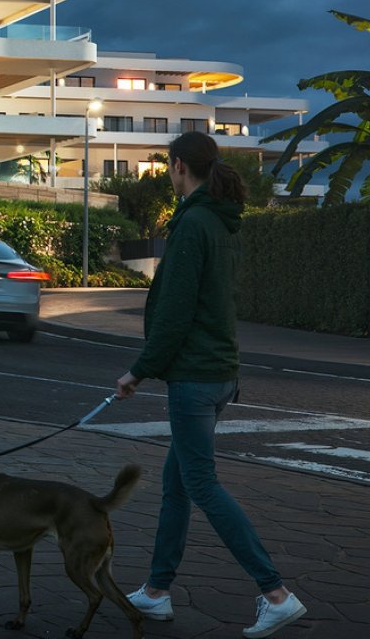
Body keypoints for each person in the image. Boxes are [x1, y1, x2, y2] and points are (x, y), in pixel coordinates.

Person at [113, 131, 307, 638]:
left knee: (199, 484)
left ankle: (276, 593)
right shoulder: (221, 223)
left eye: (169, 168)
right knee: (176, 485)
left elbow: (175, 310)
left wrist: (139, 369)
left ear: (179, 167)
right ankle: (156, 592)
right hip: (220, 372)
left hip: (196, 377)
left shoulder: (193, 224)